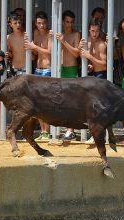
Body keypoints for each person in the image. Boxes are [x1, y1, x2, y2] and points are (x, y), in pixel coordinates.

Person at [24, 11, 52, 140]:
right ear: (36, 24)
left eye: (44, 23)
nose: (42, 25)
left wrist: (33, 46)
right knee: (38, 103)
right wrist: (31, 49)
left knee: (46, 103)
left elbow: (49, 53)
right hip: (38, 69)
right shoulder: (35, 33)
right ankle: (43, 131)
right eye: (39, 23)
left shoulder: (49, 34)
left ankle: (48, 131)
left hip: (47, 69)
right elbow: (35, 52)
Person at [56, 10, 81, 141]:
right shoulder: (58, 34)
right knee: (62, 101)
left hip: (71, 69)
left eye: (71, 22)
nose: (69, 25)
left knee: (71, 101)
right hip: (59, 69)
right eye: (67, 22)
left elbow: (76, 53)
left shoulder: (76, 34)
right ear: (62, 22)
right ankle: (66, 128)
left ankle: (71, 130)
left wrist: (64, 42)